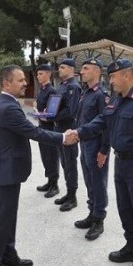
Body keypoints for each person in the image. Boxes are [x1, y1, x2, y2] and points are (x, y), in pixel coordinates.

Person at [70, 58, 133, 266]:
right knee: (125, 207)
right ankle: (131, 245)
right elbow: (102, 121)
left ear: (126, 75)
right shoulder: (117, 99)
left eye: (113, 77)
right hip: (121, 162)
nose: (110, 81)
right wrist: (79, 133)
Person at [0, 65, 73, 266]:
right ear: (6, 83)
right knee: (3, 218)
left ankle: (8, 254)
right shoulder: (8, 107)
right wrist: (62, 137)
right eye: (20, 80)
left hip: (7, 172)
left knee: (8, 217)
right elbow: (33, 131)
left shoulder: (8, 103)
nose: (25, 83)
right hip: (3, 174)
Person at [73, 58, 110, 241]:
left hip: (96, 145)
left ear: (97, 71)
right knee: (89, 181)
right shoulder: (86, 93)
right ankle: (91, 213)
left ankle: (99, 220)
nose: (82, 71)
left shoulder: (102, 94)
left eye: (86, 68)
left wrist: (104, 149)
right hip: (84, 143)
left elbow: (107, 123)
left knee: (98, 182)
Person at [52, 58, 82, 212]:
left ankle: (72, 197)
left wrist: (51, 117)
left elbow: (70, 111)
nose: (60, 70)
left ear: (71, 69)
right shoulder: (62, 86)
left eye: (63, 67)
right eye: (59, 67)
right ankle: (68, 193)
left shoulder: (74, 87)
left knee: (70, 164)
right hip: (59, 130)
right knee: (64, 163)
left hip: (69, 131)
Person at [33, 63, 61, 197]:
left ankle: (55, 184)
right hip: (41, 126)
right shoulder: (42, 90)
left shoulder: (52, 91)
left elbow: (52, 113)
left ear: (48, 74)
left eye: (41, 73)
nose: (38, 76)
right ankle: (49, 181)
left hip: (50, 128)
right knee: (44, 155)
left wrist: (42, 115)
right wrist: (37, 113)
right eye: (38, 74)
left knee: (51, 155)